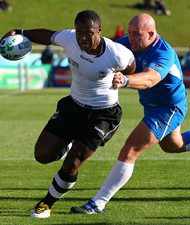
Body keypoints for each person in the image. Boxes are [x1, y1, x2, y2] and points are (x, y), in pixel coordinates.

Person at [71, 13, 190, 214]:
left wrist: (126, 80)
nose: (131, 38)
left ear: (151, 34)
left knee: (130, 150)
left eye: (137, 34)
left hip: (168, 108)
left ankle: (98, 202)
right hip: (152, 105)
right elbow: (105, 51)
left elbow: (150, 79)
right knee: (173, 146)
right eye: (130, 33)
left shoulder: (164, 53)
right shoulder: (127, 42)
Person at [1, 10, 135, 218]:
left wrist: (123, 78)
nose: (83, 37)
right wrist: (20, 32)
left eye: (88, 33)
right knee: (43, 155)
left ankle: (47, 203)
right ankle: (68, 144)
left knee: (73, 161)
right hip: (73, 106)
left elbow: (131, 68)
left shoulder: (117, 53)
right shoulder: (70, 38)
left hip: (104, 115)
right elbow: (47, 36)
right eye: (79, 32)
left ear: (99, 31)